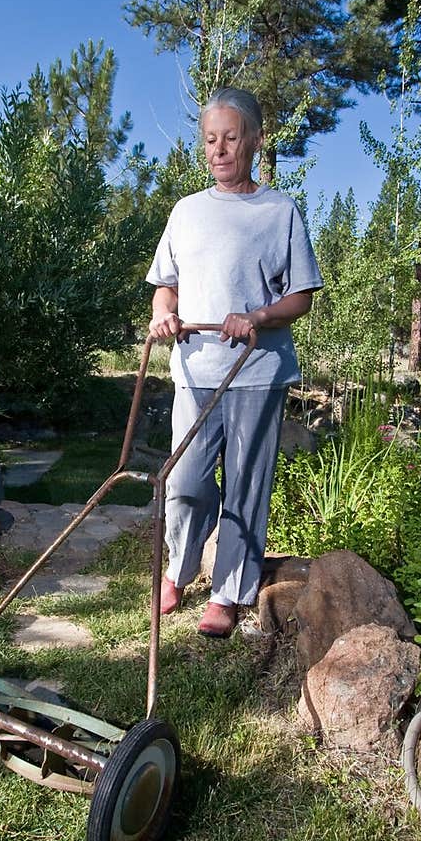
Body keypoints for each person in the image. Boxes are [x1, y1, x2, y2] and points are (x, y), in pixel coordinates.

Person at [146, 86, 323, 638]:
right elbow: (165, 286)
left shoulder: (279, 211)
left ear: (253, 141)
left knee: (247, 483)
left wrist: (258, 315)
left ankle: (227, 593)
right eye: (210, 139)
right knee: (186, 482)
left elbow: (301, 297)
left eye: (230, 137)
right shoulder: (186, 212)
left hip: (255, 371)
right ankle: (177, 568)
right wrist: (164, 315)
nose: (219, 149)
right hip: (195, 371)